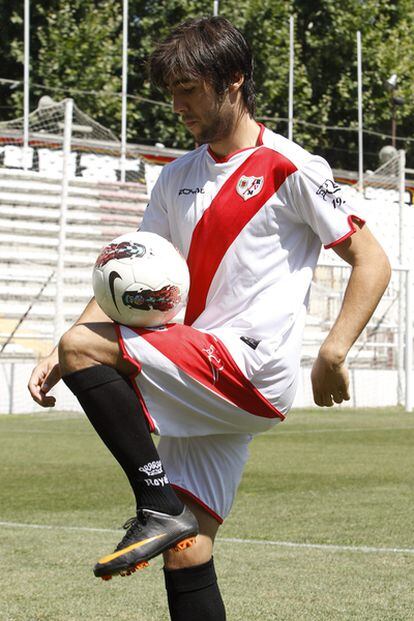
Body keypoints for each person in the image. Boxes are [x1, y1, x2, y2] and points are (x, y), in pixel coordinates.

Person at [28, 16, 391, 621]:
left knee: (84, 350)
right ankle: (166, 512)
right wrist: (60, 349)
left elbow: (372, 259)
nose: (177, 105)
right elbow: (125, 277)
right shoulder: (176, 177)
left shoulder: (289, 166)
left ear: (234, 81)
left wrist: (334, 351)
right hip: (200, 365)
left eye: (189, 89)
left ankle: (153, 501)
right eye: (171, 91)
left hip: (248, 365)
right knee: (188, 549)